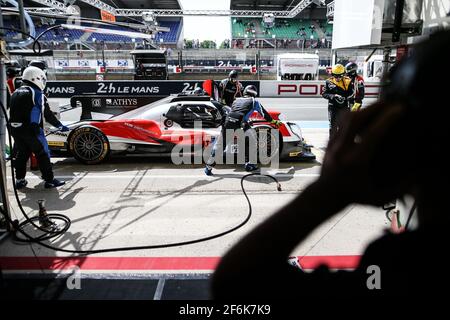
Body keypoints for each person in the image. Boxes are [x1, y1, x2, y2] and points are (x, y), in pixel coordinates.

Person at [211, 30, 450, 298]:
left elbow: (236, 282)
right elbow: (326, 96)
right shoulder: (402, 263)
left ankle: (215, 163)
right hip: (296, 117)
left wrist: (330, 190)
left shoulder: (396, 263)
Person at [9, 66, 69, 189]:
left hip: (14, 129)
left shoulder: (16, 92)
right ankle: (49, 180)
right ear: (36, 78)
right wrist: (59, 125)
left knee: (22, 153)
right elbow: (47, 114)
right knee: (43, 153)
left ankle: (19, 180)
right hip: (32, 129)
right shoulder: (37, 93)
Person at [205, 85, 281, 176]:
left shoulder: (236, 100)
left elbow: (233, 111)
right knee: (252, 140)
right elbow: (264, 114)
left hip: (228, 122)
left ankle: (208, 167)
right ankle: (250, 164)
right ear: (254, 94)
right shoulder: (254, 101)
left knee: (220, 146)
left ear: (245, 92)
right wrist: (273, 122)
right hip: (240, 124)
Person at [322, 64, 353, 137]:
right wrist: (334, 96)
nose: (338, 78)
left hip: (344, 107)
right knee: (333, 126)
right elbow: (324, 94)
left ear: (343, 75)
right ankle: (332, 143)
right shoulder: (328, 82)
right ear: (332, 74)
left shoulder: (348, 81)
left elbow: (351, 93)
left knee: (343, 126)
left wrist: (345, 97)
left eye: (340, 76)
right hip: (333, 107)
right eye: (335, 76)